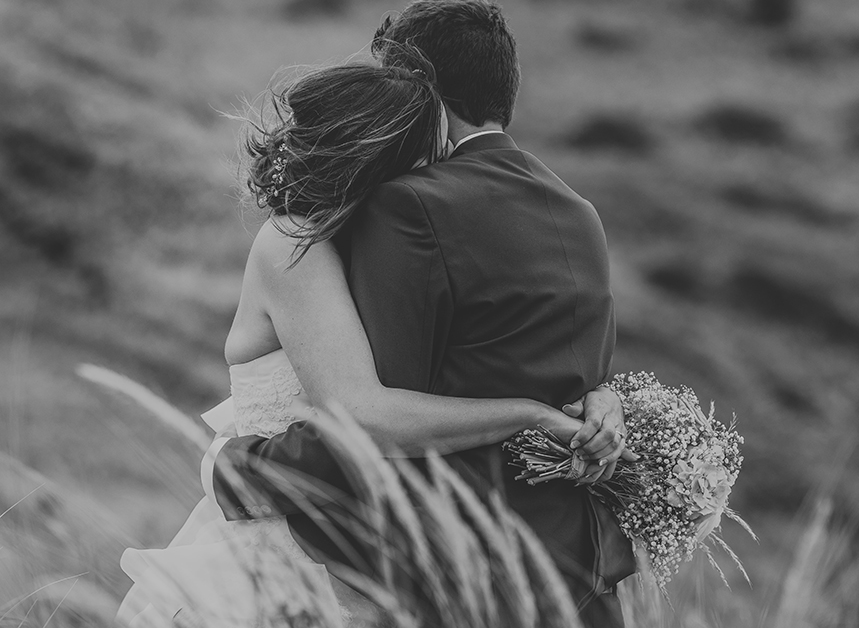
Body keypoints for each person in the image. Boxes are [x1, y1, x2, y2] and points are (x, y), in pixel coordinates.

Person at [117, 52, 625, 627]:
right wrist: (529, 415)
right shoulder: (294, 246)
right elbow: (364, 411)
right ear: (388, 161)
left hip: (355, 536)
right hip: (286, 528)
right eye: (426, 159)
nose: (437, 173)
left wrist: (599, 396)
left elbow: (469, 367)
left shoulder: (365, 251)